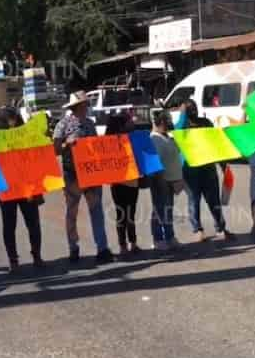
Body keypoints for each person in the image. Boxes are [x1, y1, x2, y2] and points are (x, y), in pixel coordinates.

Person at [53, 90, 114, 264]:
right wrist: (67, 144)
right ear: (77, 106)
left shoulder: (90, 124)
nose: (87, 106)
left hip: (91, 173)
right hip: (71, 174)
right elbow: (55, 149)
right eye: (85, 104)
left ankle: (102, 249)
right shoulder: (62, 125)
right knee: (72, 212)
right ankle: (73, 247)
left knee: (96, 211)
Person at [0, 108, 44, 273]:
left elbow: (37, 160)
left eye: (1, 122)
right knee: (9, 224)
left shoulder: (27, 137)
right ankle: (13, 259)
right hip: (5, 186)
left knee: (33, 222)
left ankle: (36, 255)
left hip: (26, 186)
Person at [176, 99, 236, 242]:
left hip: (208, 168)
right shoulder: (182, 127)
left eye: (194, 107)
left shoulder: (206, 123)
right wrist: (183, 114)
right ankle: (198, 230)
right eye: (189, 109)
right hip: (190, 170)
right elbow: (179, 131)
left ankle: (220, 227)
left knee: (213, 200)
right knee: (193, 200)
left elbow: (216, 143)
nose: (193, 111)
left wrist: (223, 165)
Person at [105, 114, 141, 256]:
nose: (131, 123)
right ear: (121, 125)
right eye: (128, 122)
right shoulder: (109, 143)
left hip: (132, 181)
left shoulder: (133, 138)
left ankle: (133, 243)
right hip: (118, 183)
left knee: (130, 214)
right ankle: (123, 245)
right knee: (122, 214)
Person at [149, 111, 184, 251]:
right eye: (166, 121)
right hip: (160, 180)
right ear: (160, 122)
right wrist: (160, 179)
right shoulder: (154, 138)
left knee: (168, 210)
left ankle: (170, 237)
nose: (169, 123)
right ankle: (158, 239)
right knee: (158, 209)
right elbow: (155, 162)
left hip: (172, 180)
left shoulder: (168, 137)